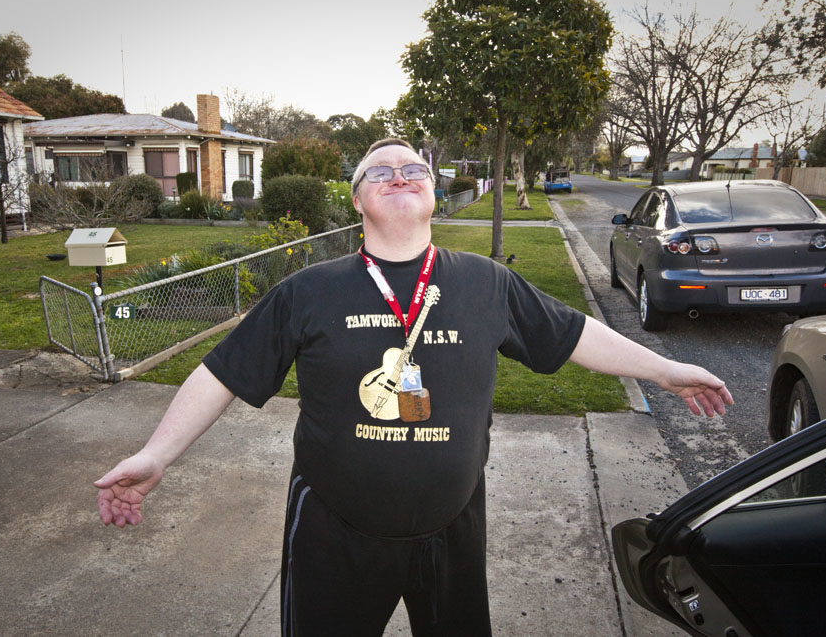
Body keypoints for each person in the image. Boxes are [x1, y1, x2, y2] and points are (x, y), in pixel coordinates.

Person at [95, 138, 733, 636]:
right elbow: (221, 372)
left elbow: (572, 335)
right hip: (332, 533)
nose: (399, 174)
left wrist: (666, 370)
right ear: (356, 200)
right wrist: (156, 454)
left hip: (452, 531)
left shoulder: (487, 284)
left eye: (414, 169)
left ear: (432, 191)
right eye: (380, 170)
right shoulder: (308, 292)